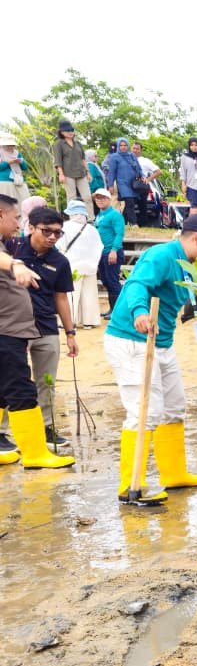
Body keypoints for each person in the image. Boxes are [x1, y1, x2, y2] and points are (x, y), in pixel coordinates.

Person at [103, 213, 197, 502]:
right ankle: (131, 485)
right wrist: (139, 312)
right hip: (132, 339)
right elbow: (137, 284)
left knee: (174, 407)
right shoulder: (161, 256)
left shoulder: (190, 264)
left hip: (162, 342)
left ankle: (174, 474)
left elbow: (192, 297)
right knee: (145, 411)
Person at [0, 195, 74, 469]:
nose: (17, 223)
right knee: (19, 387)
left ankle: (39, 435)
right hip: (8, 329)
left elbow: (61, 297)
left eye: (58, 232)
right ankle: (30, 452)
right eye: (16, 218)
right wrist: (16, 264)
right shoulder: (12, 248)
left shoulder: (59, 261)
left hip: (34, 326)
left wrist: (70, 332)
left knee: (20, 386)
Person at [57, 200, 104, 330]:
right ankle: (89, 321)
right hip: (90, 267)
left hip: (72, 266)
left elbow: (60, 245)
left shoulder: (65, 227)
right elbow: (99, 247)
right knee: (89, 294)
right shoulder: (92, 229)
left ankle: (68, 321)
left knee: (71, 294)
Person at [93, 189, 125, 313]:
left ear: (109, 199)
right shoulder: (99, 215)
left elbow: (119, 234)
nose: (100, 200)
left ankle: (118, 310)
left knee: (112, 281)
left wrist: (114, 250)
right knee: (106, 281)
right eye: (97, 198)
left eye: (103, 198)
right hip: (101, 252)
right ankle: (112, 308)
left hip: (111, 252)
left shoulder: (115, 215)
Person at [53, 121, 92, 213]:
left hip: (81, 173)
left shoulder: (78, 143)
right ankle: (74, 218)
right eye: (67, 130)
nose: (70, 132)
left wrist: (88, 172)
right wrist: (61, 174)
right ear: (62, 132)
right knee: (72, 198)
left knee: (87, 197)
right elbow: (58, 160)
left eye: (71, 130)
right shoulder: (59, 144)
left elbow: (83, 159)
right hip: (68, 174)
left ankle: (91, 218)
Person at [104, 138, 144, 225]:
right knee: (129, 201)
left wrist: (143, 176)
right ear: (118, 146)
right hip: (122, 183)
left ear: (128, 146)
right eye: (121, 145)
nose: (123, 147)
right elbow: (111, 172)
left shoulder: (132, 156)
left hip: (132, 183)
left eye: (125, 145)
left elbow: (138, 168)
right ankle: (133, 223)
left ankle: (123, 222)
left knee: (129, 203)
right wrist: (110, 185)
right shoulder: (114, 157)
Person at [0, 134, 31, 203]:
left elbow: (25, 167)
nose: (10, 147)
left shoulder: (17, 153)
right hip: (4, 182)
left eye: (12, 145)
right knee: (6, 203)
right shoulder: (0, 153)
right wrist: (9, 162)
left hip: (18, 181)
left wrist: (21, 162)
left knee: (22, 201)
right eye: (8, 145)